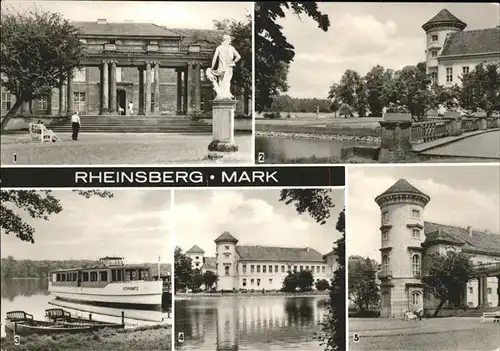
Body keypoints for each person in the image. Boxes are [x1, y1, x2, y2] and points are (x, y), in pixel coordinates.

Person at [206, 34, 241, 99]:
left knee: (222, 82)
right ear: (227, 40)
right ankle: (226, 94)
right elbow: (238, 57)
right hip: (229, 68)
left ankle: (222, 95)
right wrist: (233, 62)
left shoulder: (219, 48)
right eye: (229, 40)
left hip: (221, 68)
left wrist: (212, 67)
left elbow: (214, 58)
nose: (229, 41)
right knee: (227, 81)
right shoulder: (231, 48)